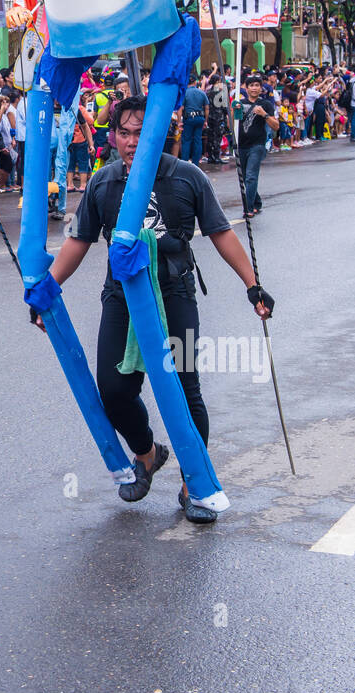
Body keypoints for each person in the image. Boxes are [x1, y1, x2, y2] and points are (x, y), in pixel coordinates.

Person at [34, 93, 273, 524]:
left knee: (184, 389)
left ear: (159, 133)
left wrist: (253, 286)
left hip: (175, 295)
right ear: (112, 138)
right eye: (123, 132)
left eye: (141, 132)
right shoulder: (103, 182)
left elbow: (220, 233)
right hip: (122, 298)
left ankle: (194, 483)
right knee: (113, 389)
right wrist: (47, 289)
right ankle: (146, 454)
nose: (131, 141)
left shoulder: (186, 177)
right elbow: (79, 242)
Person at [238, 75, 279, 219]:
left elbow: (275, 126)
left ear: (261, 88)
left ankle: (248, 208)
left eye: (257, 85)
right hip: (241, 145)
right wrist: (233, 110)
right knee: (244, 177)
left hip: (258, 145)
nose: (254, 88)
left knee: (251, 176)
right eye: (251, 85)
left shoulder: (266, 104)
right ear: (246, 88)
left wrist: (264, 114)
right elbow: (232, 124)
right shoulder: (240, 103)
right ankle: (256, 202)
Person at [180, 75, 209, 166]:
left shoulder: (184, 93)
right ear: (195, 82)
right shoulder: (202, 93)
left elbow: (181, 108)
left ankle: (185, 162)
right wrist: (205, 120)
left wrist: (178, 122)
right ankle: (195, 163)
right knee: (198, 140)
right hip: (200, 118)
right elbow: (207, 108)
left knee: (186, 140)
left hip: (189, 118)